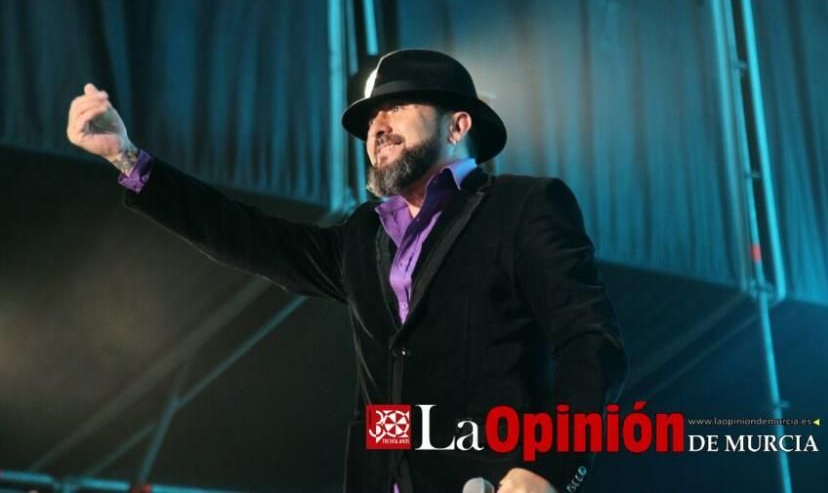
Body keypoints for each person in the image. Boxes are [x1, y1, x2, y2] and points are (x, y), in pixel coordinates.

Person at [67, 49, 627, 493]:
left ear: (457, 126)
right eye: (370, 119)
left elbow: (590, 344)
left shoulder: (523, 207)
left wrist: (550, 468)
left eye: (398, 107)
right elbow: (248, 236)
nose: (377, 126)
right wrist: (127, 158)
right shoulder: (363, 236)